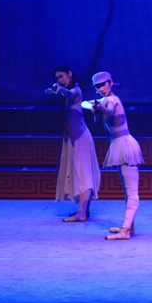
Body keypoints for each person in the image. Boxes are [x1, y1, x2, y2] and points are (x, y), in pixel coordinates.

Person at [89, 71, 144, 240]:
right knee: (127, 190)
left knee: (131, 191)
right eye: (97, 86)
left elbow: (110, 111)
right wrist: (96, 109)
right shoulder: (106, 100)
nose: (101, 88)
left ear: (110, 83)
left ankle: (125, 230)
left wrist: (100, 108)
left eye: (103, 84)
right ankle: (129, 226)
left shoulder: (111, 100)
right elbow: (102, 115)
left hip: (125, 146)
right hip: (120, 144)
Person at [45, 63, 100, 222]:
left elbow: (70, 94)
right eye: (57, 78)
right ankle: (84, 210)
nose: (60, 80)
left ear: (69, 73)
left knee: (84, 174)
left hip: (80, 138)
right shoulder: (69, 92)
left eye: (62, 76)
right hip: (72, 138)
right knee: (79, 173)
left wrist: (59, 89)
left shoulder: (76, 91)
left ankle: (81, 213)